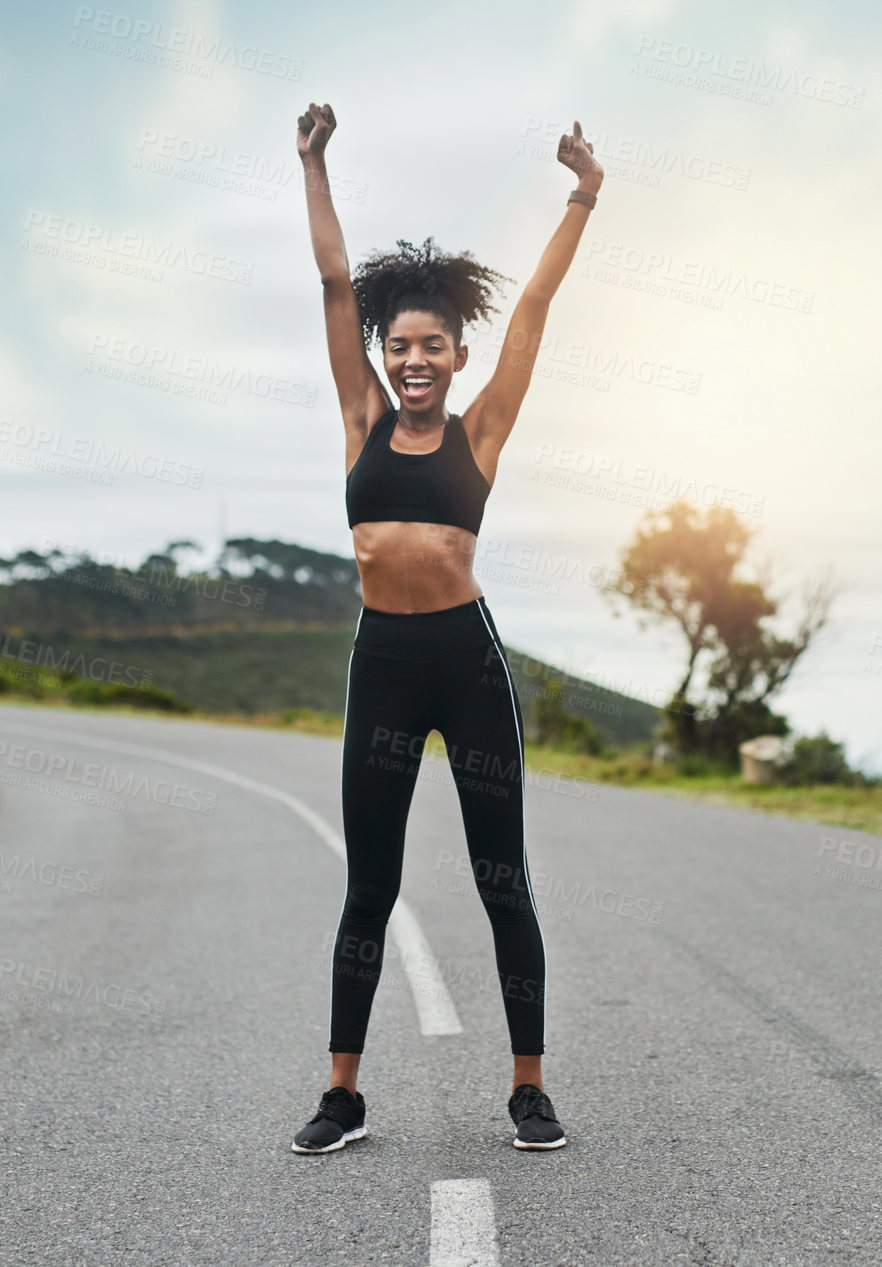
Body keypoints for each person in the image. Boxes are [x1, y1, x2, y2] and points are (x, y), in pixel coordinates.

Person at [290, 100, 602, 1154]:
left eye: (431, 346)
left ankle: (527, 1087)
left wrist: (581, 198)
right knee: (367, 885)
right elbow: (335, 282)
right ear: (381, 355)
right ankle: (341, 1093)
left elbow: (534, 315)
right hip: (382, 665)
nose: (412, 359)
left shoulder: (480, 430)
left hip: (465, 669)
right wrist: (313, 164)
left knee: (498, 878)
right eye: (398, 346)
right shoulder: (359, 419)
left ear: (457, 358)